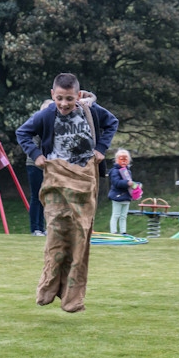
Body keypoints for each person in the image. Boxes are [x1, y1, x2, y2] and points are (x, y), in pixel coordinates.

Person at [16, 73, 118, 313]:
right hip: (56, 180)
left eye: (69, 99)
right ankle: (48, 288)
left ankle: (73, 298)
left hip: (84, 179)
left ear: (78, 96)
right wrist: (36, 155)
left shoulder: (91, 112)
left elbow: (112, 122)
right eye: (59, 98)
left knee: (80, 238)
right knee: (56, 236)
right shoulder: (45, 115)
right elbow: (23, 133)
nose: (64, 104)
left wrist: (102, 148)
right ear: (52, 95)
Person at [25, 99, 53, 237]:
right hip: (35, 164)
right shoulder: (37, 124)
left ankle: (42, 227)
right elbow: (34, 144)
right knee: (36, 196)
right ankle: (35, 228)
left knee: (44, 197)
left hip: (46, 165)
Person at [108, 148, 137, 235]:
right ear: (117, 160)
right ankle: (114, 232)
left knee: (124, 216)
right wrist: (127, 183)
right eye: (121, 159)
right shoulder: (115, 171)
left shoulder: (128, 171)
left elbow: (130, 182)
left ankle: (123, 231)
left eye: (126, 160)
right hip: (117, 196)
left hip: (126, 196)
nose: (124, 162)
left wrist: (136, 185)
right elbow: (116, 183)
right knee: (116, 215)